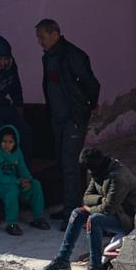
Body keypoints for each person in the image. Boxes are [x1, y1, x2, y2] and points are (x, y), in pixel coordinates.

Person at [42, 148, 136, 270]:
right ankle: (62, 259)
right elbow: (86, 198)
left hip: (130, 219)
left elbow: (108, 209)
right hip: (116, 212)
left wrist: (93, 208)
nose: (89, 173)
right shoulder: (98, 172)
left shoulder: (117, 177)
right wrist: (99, 201)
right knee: (77, 213)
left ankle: (95, 267)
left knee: (94, 220)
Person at [35, 19, 101, 223]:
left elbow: (91, 83)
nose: (39, 42)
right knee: (63, 163)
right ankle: (69, 207)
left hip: (73, 117)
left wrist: (90, 107)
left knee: (70, 164)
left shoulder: (73, 55)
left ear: (55, 34)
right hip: (57, 118)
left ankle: (73, 214)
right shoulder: (49, 57)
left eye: (42, 37)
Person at [0, 125, 50, 236]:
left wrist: (28, 181)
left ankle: (38, 218)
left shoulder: (17, 152)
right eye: (4, 141)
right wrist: (18, 182)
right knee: (12, 190)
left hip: (14, 182)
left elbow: (23, 170)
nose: (7, 145)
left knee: (35, 184)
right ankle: (11, 223)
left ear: (15, 142)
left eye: (10, 142)